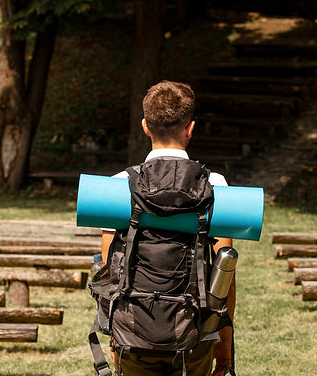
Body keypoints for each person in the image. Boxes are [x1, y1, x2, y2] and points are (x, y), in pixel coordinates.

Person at [100, 80, 235, 376]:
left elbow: (110, 273)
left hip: (132, 334)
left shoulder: (115, 188)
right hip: (194, 335)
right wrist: (225, 345)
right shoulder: (217, 187)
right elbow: (224, 277)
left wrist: (113, 336)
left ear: (146, 126)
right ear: (190, 128)